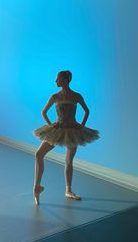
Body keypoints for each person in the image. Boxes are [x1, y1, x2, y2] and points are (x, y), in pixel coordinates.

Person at [33, 70, 100, 205]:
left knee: (69, 160)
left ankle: (68, 190)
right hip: (57, 130)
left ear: (66, 79)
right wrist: (50, 124)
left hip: (72, 131)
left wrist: (81, 126)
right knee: (39, 154)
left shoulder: (76, 96)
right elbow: (43, 112)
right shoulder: (55, 96)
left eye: (58, 78)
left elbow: (87, 110)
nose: (55, 81)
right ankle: (37, 186)